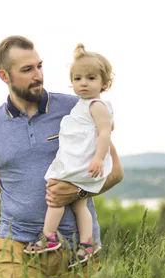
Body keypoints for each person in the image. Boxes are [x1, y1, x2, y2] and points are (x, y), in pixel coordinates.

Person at [0, 36, 124, 278]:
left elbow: (115, 172)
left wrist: (77, 194)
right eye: (27, 69)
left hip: (78, 248)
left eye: (39, 66)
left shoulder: (79, 108)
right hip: (15, 245)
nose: (38, 75)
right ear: (4, 76)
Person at [24, 43, 115, 266]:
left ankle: (49, 237)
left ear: (104, 83)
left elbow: (104, 134)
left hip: (84, 163)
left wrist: (97, 159)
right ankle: (87, 243)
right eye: (77, 78)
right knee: (78, 205)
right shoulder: (81, 105)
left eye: (91, 78)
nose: (83, 83)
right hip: (80, 162)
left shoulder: (96, 106)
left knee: (55, 194)